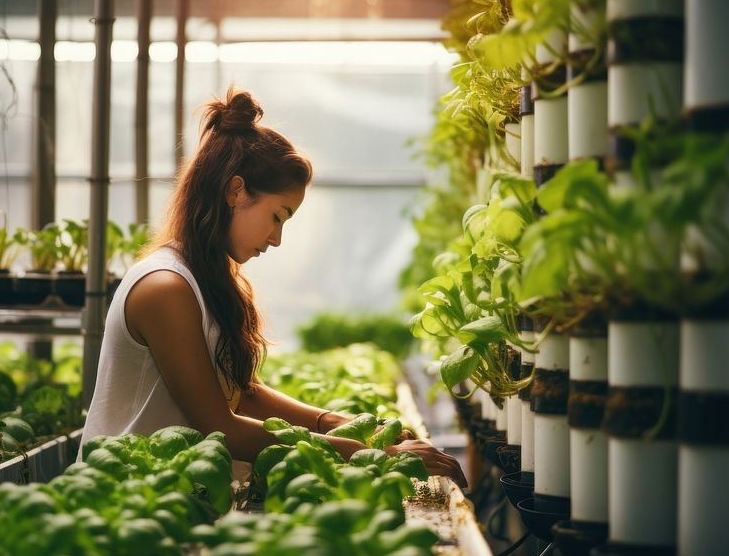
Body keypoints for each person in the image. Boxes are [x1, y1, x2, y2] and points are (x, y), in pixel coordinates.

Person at [80, 87, 466, 488]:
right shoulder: (166, 287)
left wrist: (340, 423)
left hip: (167, 491)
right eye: (277, 216)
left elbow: (241, 393)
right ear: (235, 191)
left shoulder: (202, 278)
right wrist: (374, 456)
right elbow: (220, 426)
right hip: (119, 494)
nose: (277, 238)